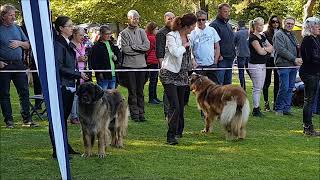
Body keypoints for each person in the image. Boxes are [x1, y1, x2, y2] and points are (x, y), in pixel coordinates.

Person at [51, 15, 88, 158]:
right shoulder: (58, 44)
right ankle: (57, 149)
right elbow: (59, 67)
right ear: (61, 28)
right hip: (62, 85)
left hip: (69, 84)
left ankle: (65, 145)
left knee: (64, 118)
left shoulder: (67, 43)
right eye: (69, 26)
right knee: (58, 118)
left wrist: (77, 74)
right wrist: (78, 74)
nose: (72, 28)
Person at [159, 13, 197, 145]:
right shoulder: (171, 36)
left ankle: (178, 131)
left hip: (182, 74)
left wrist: (192, 60)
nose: (194, 28)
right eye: (193, 25)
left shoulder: (188, 36)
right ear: (187, 25)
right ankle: (170, 136)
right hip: (169, 73)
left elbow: (189, 52)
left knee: (181, 105)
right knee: (174, 105)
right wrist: (184, 45)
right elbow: (175, 52)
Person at [0, 4, 38, 128]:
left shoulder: (17, 28)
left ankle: (27, 120)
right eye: (10, 15)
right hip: (4, 66)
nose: (13, 17)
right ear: (3, 16)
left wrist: (19, 43)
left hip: (18, 64)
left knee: (24, 92)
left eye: (14, 15)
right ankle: (9, 121)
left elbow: (27, 45)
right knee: (4, 94)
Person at [120, 10, 150, 122]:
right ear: (129, 19)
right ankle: (135, 115)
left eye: (137, 18)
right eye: (134, 18)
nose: (136, 20)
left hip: (142, 65)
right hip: (129, 66)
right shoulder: (124, 33)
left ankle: (142, 113)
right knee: (132, 91)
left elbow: (147, 46)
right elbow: (126, 50)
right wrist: (139, 50)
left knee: (140, 91)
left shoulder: (142, 31)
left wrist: (134, 47)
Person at [273, 17, 303, 116]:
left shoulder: (292, 35)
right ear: (284, 23)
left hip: (293, 65)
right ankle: (279, 109)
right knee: (284, 87)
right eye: (288, 23)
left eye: (292, 24)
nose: (290, 25)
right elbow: (281, 50)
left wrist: (299, 58)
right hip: (283, 64)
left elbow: (296, 48)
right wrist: (294, 59)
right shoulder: (279, 34)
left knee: (290, 88)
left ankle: (287, 108)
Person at [248, 17, 273, 117]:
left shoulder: (262, 36)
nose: (261, 27)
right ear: (255, 26)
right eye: (259, 25)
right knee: (257, 88)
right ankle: (256, 108)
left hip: (263, 64)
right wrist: (266, 49)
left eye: (262, 24)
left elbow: (271, 47)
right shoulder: (252, 37)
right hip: (255, 64)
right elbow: (260, 51)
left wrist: (265, 49)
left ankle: (257, 107)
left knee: (260, 87)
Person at [299, 17, 320, 136]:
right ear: (310, 27)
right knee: (309, 101)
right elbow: (309, 58)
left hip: (314, 72)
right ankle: (307, 127)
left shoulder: (315, 39)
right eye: (317, 26)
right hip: (309, 73)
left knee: (311, 100)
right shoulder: (308, 40)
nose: (319, 28)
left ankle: (309, 127)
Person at [190, 10, 220, 84]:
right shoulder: (192, 32)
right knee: (200, 90)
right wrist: (193, 61)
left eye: (203, 19)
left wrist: (215, 61)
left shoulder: (212, 30)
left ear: (205, 20)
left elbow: (217, 47)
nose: (201, 21)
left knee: (215, 89)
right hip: (198, 66)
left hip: (211, 64)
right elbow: (189, 50)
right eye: (199, 20)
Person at [209, 3, 235, 85]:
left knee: (228, 86)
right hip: (221, 60)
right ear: (219, 12)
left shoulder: (229, 25)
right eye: (225, 11)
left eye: (228, 11)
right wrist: (218, 55)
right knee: (218, 86)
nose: (227, 13)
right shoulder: (214, 25)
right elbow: (212, 43)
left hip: (230, 58)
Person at [156, 12, 175, 120]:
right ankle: (167, 113)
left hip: (177, 65)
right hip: (167, 65)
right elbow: (159, 52)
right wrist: (163, 67)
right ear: (165, 20)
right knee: (168, 90)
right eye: (169, 19)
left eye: (173, 18)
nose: (171, 20)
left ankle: (174, 111)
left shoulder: (177, 31)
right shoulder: (161, 33)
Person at [90, 25, 119, 90]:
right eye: (107, 34)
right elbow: (94, 62)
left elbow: (118, 57)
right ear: (101, 34)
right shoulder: (96, 47)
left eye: (110, 34)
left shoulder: (112, 44)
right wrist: (99, 72)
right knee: (103, 95)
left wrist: (116, 59)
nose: (109, 36)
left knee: (112, 96)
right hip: (103, 75)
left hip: (113, 74)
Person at [262, 15, 282, 111]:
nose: (275, 24)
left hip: (278, 60)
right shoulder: (265, 33)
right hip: (269, 60)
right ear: (270, 23)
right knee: (267, 81)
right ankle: (266, 103)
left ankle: (275, 103)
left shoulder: (282, 33)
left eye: (277, 22)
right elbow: (264, 46)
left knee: (277, 82)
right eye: (273, 22)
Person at [69, 27, 87, 125]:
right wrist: (77, 60)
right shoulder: (70, 45)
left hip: (82, 72)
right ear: (74, 35)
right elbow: (68, 60)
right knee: (74, 96)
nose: (82, 37)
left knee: (80, 94)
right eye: (80, 35)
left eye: (83, 35)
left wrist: (84, 58)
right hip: (74, 72)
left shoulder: (82, 44)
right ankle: (74, 116)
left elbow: (83, 55)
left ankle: (80, 115)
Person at [145, 21, 161, 104]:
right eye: (156, 29)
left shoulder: (150, 37)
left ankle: (154, 97)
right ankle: (152, 98)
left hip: (153, 60)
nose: (157, 31)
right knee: (153, 80)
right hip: (152, 60)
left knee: (154, 80)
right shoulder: (152, 38)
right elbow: (149, 49)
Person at [234, 20, 250, 91]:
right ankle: (256, 84)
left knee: (241, 72)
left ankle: (243, 87)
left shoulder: (237, 33)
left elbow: (233, 44)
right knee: (251, 71)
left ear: (238, 25)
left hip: (240, 54)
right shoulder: (249, 32)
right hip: (249, 54)